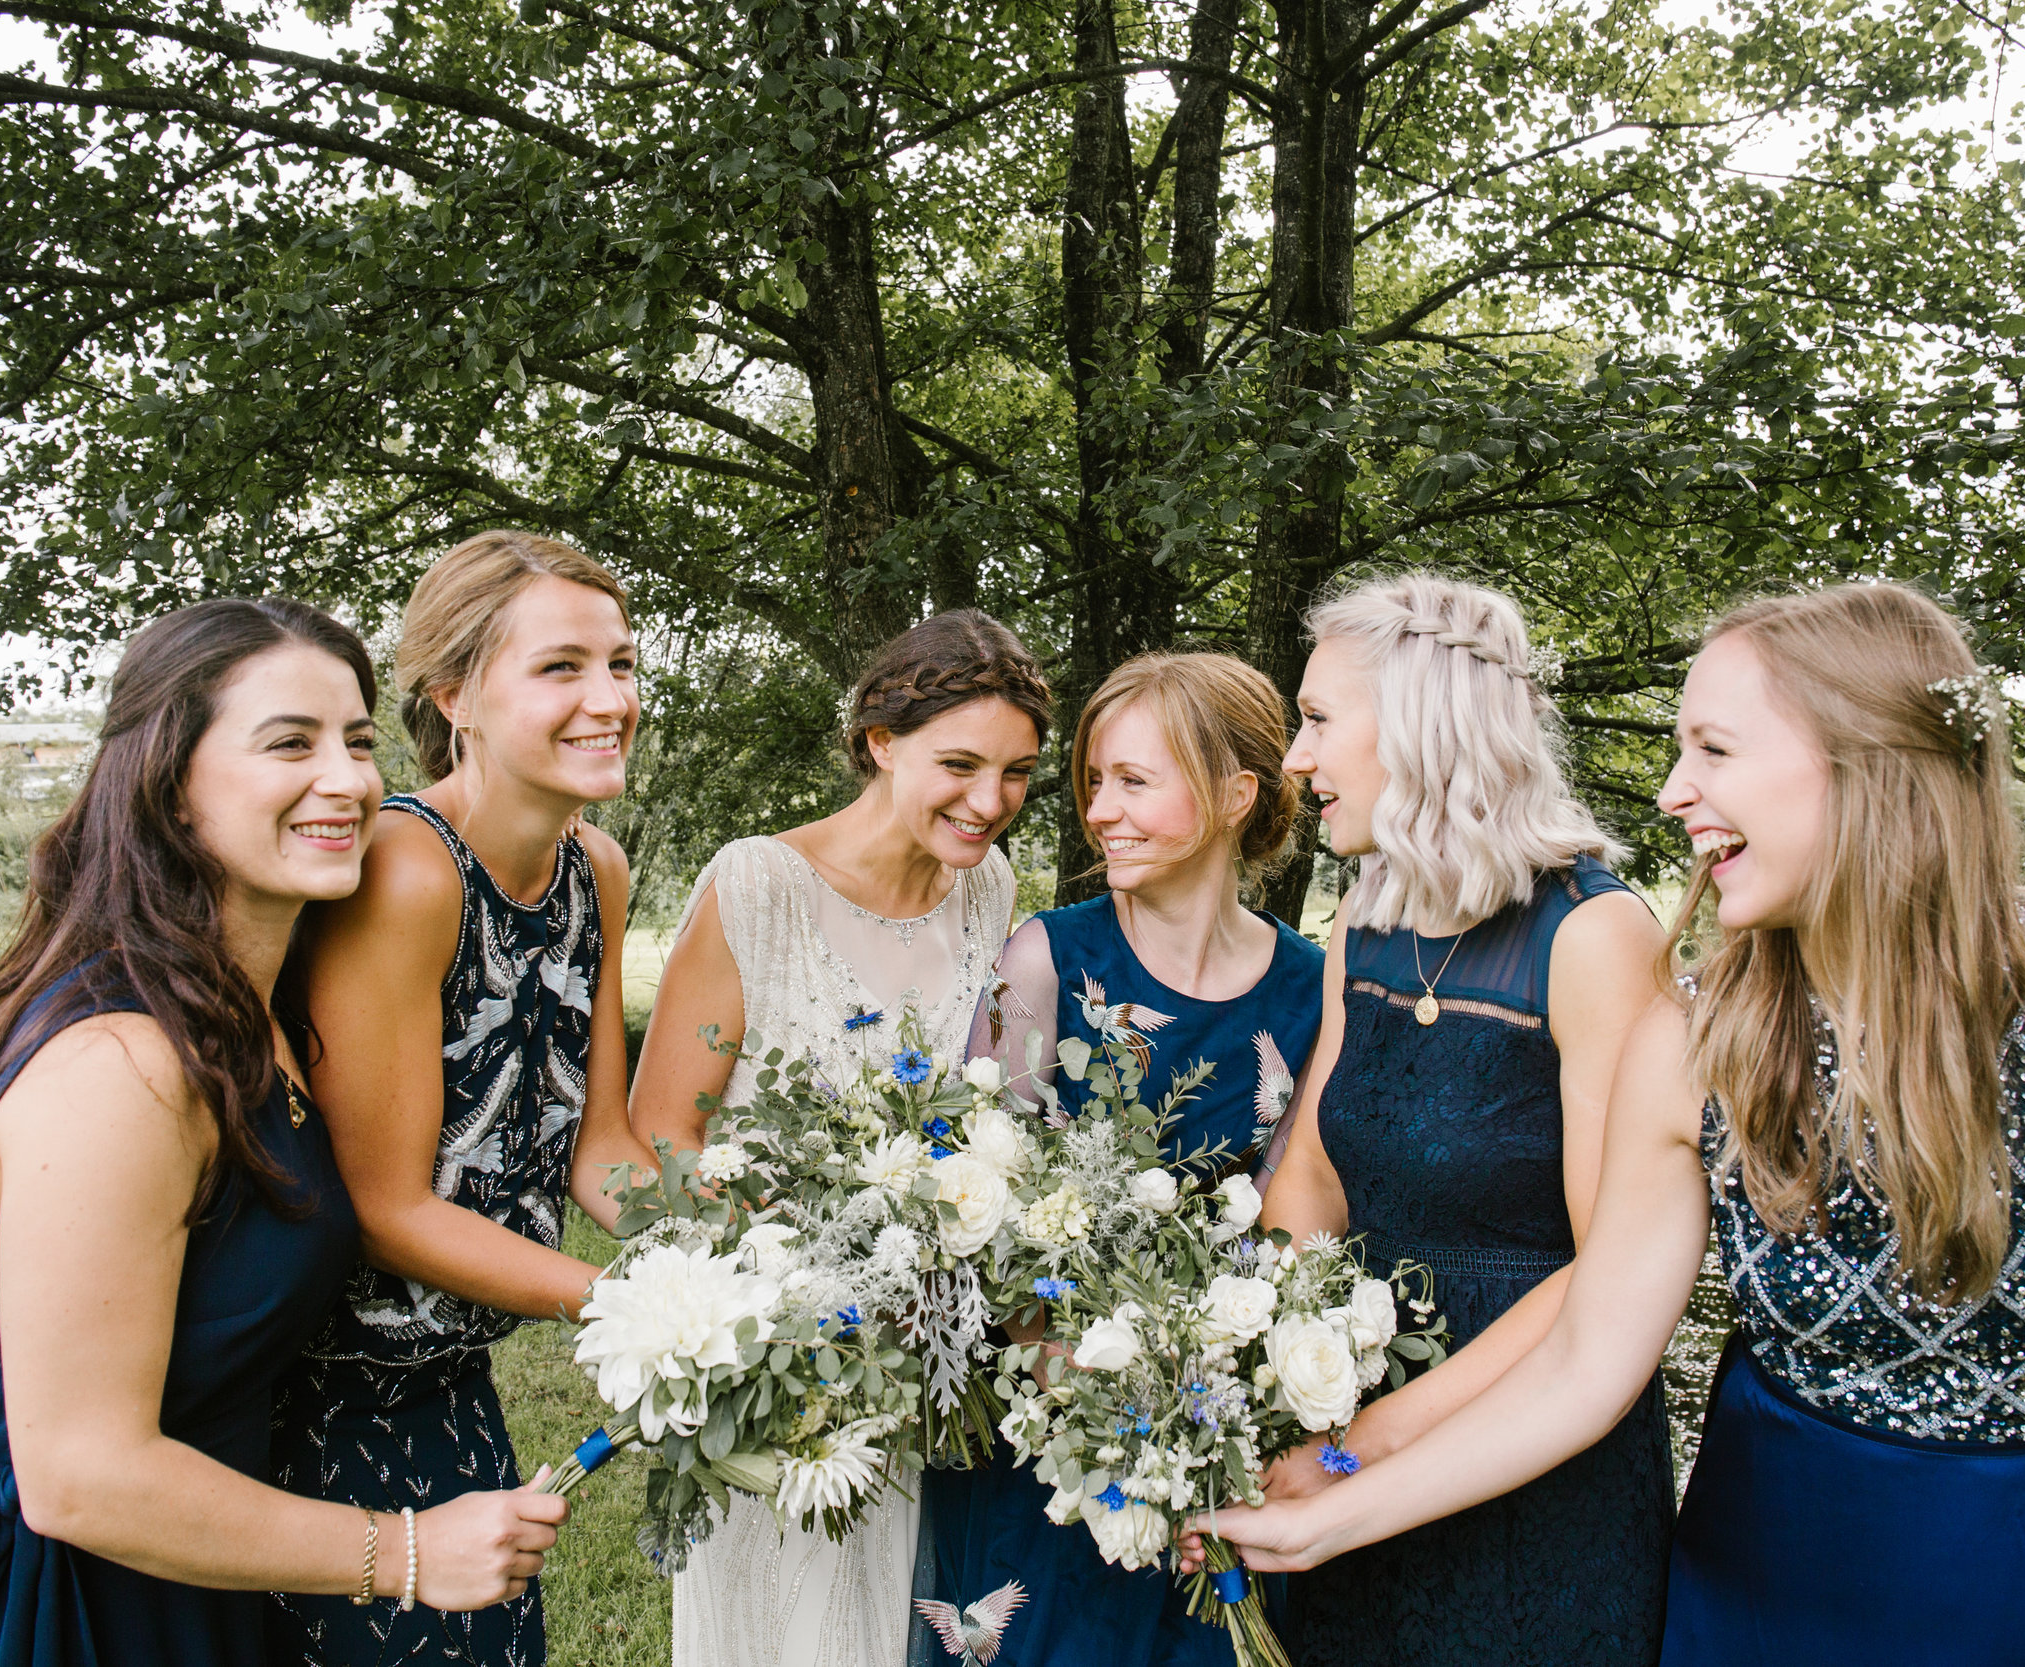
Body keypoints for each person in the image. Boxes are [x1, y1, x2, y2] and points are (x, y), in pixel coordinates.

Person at [1189, 582, 2025, 1667]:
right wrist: (1330, 1511)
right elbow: (1585, 1358)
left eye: (1712, 748)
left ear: (1864, 753)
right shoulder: (1698, 1035)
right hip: (1762, 1577)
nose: (1668, 791)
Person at [0, 599, 562, 1667]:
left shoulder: (253, 1009)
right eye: (288, 743)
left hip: (183, 1581)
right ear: (169, 782)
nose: (348, 780)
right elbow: (81, 1471)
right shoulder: (125, 1067)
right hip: (30, 1604)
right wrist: (402, 1549)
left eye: (357, 741)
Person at [1239, 572, 1674, 1666]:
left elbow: (1611, 1263)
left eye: (1320, 718)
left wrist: (1363, 1448)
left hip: (1526, 1455)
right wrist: (1269, 1378)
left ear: (1422, 724)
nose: (1296, 757)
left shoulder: (1593, 935)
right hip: (1344, 1412)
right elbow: (1314, 1183)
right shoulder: (1365, 920)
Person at [268, 532, 658, 1667]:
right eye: (561, 667)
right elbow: (386, 1205)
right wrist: (628, 1306)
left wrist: (724, 1266)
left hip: (450, 1377)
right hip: (326, 1391)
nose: (609, 698)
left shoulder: (601, 871)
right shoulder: (407, 866)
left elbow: (605, 1147)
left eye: (622, 664)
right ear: (455, 696)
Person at [633, 609, 1050, 1667]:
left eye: (1016, 772)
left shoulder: (988, 889)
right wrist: (789, 1300)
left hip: (931, 1372)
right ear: (879, 739)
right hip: (793, 1373)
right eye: (958, 763)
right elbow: (665, 1131)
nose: (989, 801)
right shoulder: (758, 885)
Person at [915, 649, 1324, 1666]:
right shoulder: (1047, 957)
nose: (1101, 809)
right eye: (1095, 780)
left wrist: (1198, 1396)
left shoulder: (1315, 992)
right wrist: (1071, 1372)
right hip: (1042, 1440)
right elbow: (969, 1199)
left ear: (1236, 795)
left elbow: (1294, 1223)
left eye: (1135, 780)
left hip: (1210, 1440)